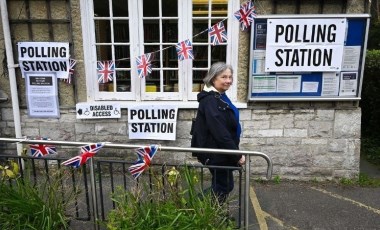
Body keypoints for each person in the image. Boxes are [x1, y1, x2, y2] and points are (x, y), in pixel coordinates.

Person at [191, 62, 245, 204]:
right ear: (213, 79)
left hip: (222, 151)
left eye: (230, 77)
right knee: (223, 186)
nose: (228, 80)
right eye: (223, 77)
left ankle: (208, 215)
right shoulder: (210, 100)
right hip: (216, 152)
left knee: (222, 185)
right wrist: (236, 154)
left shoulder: (220, 96)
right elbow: (219, 131)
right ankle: (194, 209)